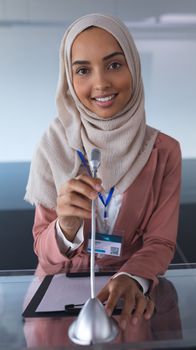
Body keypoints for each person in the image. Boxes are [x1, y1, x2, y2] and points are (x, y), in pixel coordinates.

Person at [24, 13, 182, 331]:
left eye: (114, 65)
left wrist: (131, 278)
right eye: (83, 70)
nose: (101, 83)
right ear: (69, 79)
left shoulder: (164, 151)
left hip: (130, 304)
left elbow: (160, 242)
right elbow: (45, 254)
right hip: (56, 304)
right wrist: (65, 227)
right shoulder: (52, 146)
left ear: (133, 68)